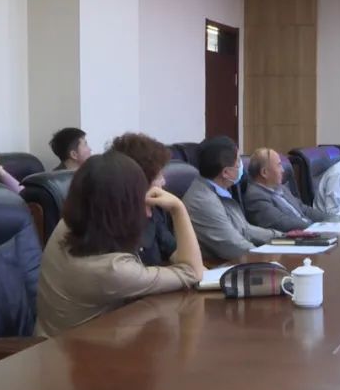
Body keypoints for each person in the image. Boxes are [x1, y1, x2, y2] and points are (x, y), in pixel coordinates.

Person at [35, 151, 204, 337]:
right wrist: (178, 209)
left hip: (75, 339)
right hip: (73, 351)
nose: (147, 209)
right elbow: (192, 272)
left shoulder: (68, 225)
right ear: (123, 209)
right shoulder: (113, 270)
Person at [181, 136, 283, 261]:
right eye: (238, 161)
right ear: (226, 173)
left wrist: (283, 238)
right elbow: (234, 246)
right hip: (216, 265)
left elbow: (245, 229)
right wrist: (272, 259)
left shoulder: (220, 190)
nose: (242, 166)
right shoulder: (202, 201)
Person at [110, 133, 177, 267]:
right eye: (158, 176)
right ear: (138, 180)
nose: (163, 182)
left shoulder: (153, 209)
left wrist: (179, 211)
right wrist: (178, 208)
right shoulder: (111, 220)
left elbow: (177, 253)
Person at [243, 148, 329, 230]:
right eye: (279, 165)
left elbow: (303, 209)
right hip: (294, 236)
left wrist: (331, 219)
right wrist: (316, 228)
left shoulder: (280, 188)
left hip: (309, 229)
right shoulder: (255, 197)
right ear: (264, 172)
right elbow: (282, 223)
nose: (282, 170)